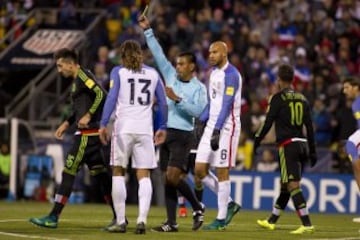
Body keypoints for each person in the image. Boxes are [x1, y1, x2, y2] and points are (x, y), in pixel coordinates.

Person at [29, 48, 116, 229]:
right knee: (101, 177)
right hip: (90, 135)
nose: (59, 70)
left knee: (68, 171)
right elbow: (79, 110)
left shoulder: (84, 76)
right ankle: (119, 216)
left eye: (60, 66)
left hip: (86, 136)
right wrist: (67, 123)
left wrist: (90, 116)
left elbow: (101, 94)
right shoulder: (78, 80)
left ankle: (53, 216)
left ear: (70, 63)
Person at [138, 15, 207, 232]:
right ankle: (171, 223)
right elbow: (158, 54)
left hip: (184, 135)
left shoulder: (199, 89)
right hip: (166, 132)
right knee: (167, 180)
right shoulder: (169, 75)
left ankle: (197, 208)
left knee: (172, 176)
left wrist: (178, 99)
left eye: (181, 64)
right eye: (176, 63)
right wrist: (147, 30)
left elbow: (196, 112)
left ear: (192, 67)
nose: (176, 67)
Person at [99, 39, 168, 234]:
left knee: (118, 171)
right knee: (143, 175)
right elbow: (163, 103)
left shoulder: (118, 71)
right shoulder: (153, 74)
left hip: (123, 129)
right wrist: (162, 126)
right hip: (145, 130)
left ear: (122, 55)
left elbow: (112, 97)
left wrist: (104, 124)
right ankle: (142, 221)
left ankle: (121, 221)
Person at [254, 64, 317, 234]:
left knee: (293, 185)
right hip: (302, 145)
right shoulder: (302, 98)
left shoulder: (277, 98)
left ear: (279, 80)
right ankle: (272, 220)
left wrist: (257, 140)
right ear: (293, 79)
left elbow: (268, 123)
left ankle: (307, 224)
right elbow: (310, 127)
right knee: (285, 185)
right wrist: (313, 151)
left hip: (288, 146)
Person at [194, 41, 242, 231]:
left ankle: (221, 219)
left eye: (215, 52)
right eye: (209, 52)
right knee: (199, 170)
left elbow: (227, 104)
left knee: (222, 171)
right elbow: (212, 103)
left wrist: (217, 129)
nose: (211, 55)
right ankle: (230, 203)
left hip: (227, 127)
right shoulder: (213, 73)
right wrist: (201, 120)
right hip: (212, 125)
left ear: (224, 53)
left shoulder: (232, 75)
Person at [343, 77, 360, 192]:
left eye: (347, 87)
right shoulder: (355, 104)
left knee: (350, 144)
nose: (344, 91)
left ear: (356, 87)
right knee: (355, 166)